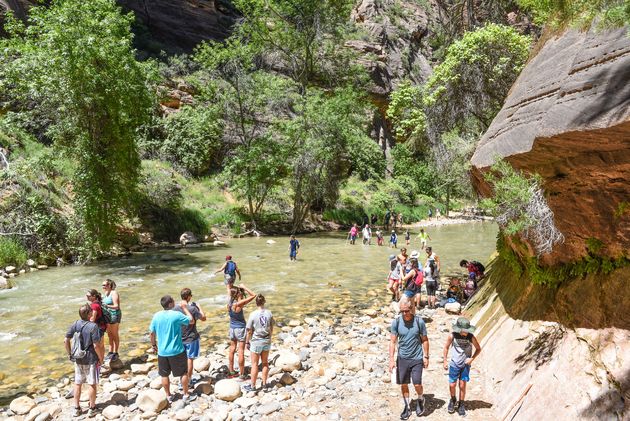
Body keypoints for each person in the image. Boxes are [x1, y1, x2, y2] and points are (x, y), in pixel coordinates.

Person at [149, 295, 194, 405]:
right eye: (173, 301)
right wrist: (184, 308)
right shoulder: (176, 315)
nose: (175, 302)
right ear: (170, 304)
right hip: (177, 350)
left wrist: (154, 345)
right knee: (183, 373)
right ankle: (186, 395)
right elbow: (191, 321)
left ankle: (168, 396)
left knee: (164, 375)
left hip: (162, 352)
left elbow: (151, 332)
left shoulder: (156, 316)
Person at [389, 299, 429, 419]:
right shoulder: (396, 322)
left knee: (417, 383)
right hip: (402, 358)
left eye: (407, 311)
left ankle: (421, 399)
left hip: (417, 358)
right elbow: (392, 341)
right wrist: (391, 359)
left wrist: (426, 356)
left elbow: (425, 340)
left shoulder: (419, 322)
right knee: (404, 383)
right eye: (402, 311)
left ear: (411, 309)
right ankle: (407, 406)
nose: (405, 313)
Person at [65, 304, 105, 418]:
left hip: (78, 358)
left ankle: (76, 408)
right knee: (92, 383)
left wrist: (69, 354)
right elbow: (96, 345)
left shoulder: (75, 324)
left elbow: (65, 340)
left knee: (78, 383)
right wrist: (101, 359)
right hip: (91, 358)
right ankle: (92, 408)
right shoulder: (93, 327)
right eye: (91, 311)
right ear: (88, 314)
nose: (93, 312)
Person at [443, 317, 482, 416]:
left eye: (467, 330)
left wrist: (472, 359)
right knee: (452, 384)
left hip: (465, 365)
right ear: (459, 329)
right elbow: (446, 347)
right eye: (465, 330)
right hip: (454, 364)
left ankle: (461, 404)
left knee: (462, 385)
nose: (466, 332)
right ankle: (453, 400)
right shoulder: (452, 336)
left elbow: (478, 348)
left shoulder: (471, 337)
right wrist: (444, 360)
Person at [174, 288, 206, 387]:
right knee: (190, 359)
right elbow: (203, 318)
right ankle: (188, 380)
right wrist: (199, 307)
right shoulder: (192, 309)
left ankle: (181, 381)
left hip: (180, 338)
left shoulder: (175, 308)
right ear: (188, 297)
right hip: (191, 338)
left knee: (181, 359)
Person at [244, 294, 274, 392]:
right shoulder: (269, 313)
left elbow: (249, 330)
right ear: (264, 302)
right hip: (266, 340)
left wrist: (247, 342)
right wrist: (270, 336)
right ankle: (264, 384)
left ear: (256, 303)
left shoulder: (253, 314)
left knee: (255, 364)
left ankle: (253, 386)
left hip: (256, 341)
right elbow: (271, 326)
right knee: (265, 363)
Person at [227, 284, 257, 379]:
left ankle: (231, 371)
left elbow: (229, 290)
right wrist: (244, 287)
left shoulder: (229, 303)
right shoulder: (239, 304)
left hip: (232, 328)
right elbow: (253, 295)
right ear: (237, 294)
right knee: (240, 351)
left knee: (232, 349)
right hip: (240, 329)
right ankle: (242, 374)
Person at [101, 279, 121, 361]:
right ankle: (110, 352)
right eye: (102, 285)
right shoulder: (105, 294)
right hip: (107, 316)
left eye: (104, 285)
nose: (103, 287)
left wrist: (106, 306)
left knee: (114, 334)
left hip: (114, 315)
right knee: (109, 334)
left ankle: (116, 353)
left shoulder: (114, 293)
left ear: (109, 285)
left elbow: (116, 306)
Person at [86, 289, 107, 361]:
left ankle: (100, 361)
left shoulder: (94, 306)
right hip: (102, 326)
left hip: (97, 328)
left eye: (88, 296)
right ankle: (102, 360)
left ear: (94, 296)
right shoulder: (98, 302)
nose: (87, 297)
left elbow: (92, 319)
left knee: (97, 346)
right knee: (101, 345)